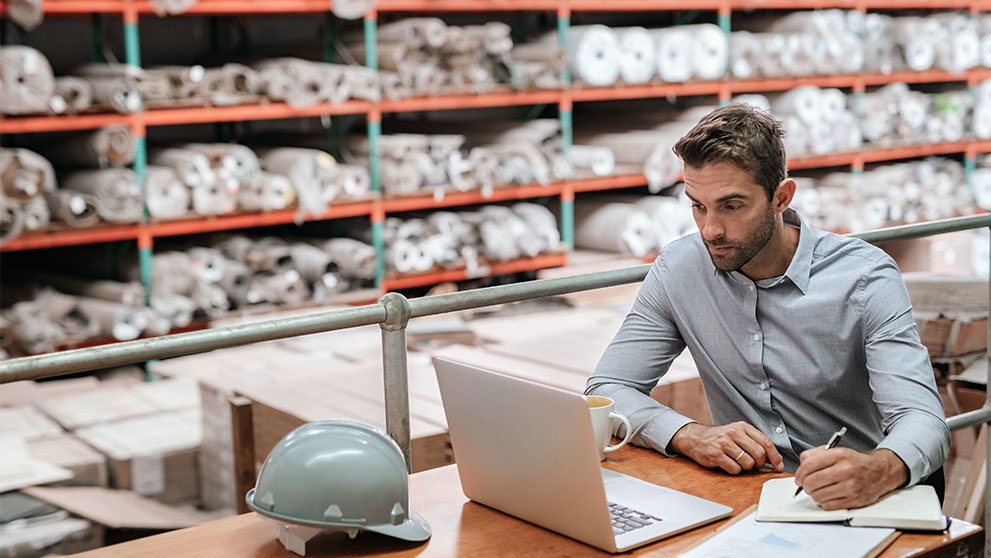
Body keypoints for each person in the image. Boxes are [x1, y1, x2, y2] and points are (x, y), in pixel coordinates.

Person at [586, 103, 949, 511]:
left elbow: (923, 418)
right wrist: (689, 434)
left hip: (854, 501)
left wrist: (879, 469)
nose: (710, 230)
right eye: (697, 205)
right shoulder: (678, 269)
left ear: (781, 197)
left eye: (732, 206)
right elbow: (606, 388)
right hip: (743, 498)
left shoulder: (865, 278)